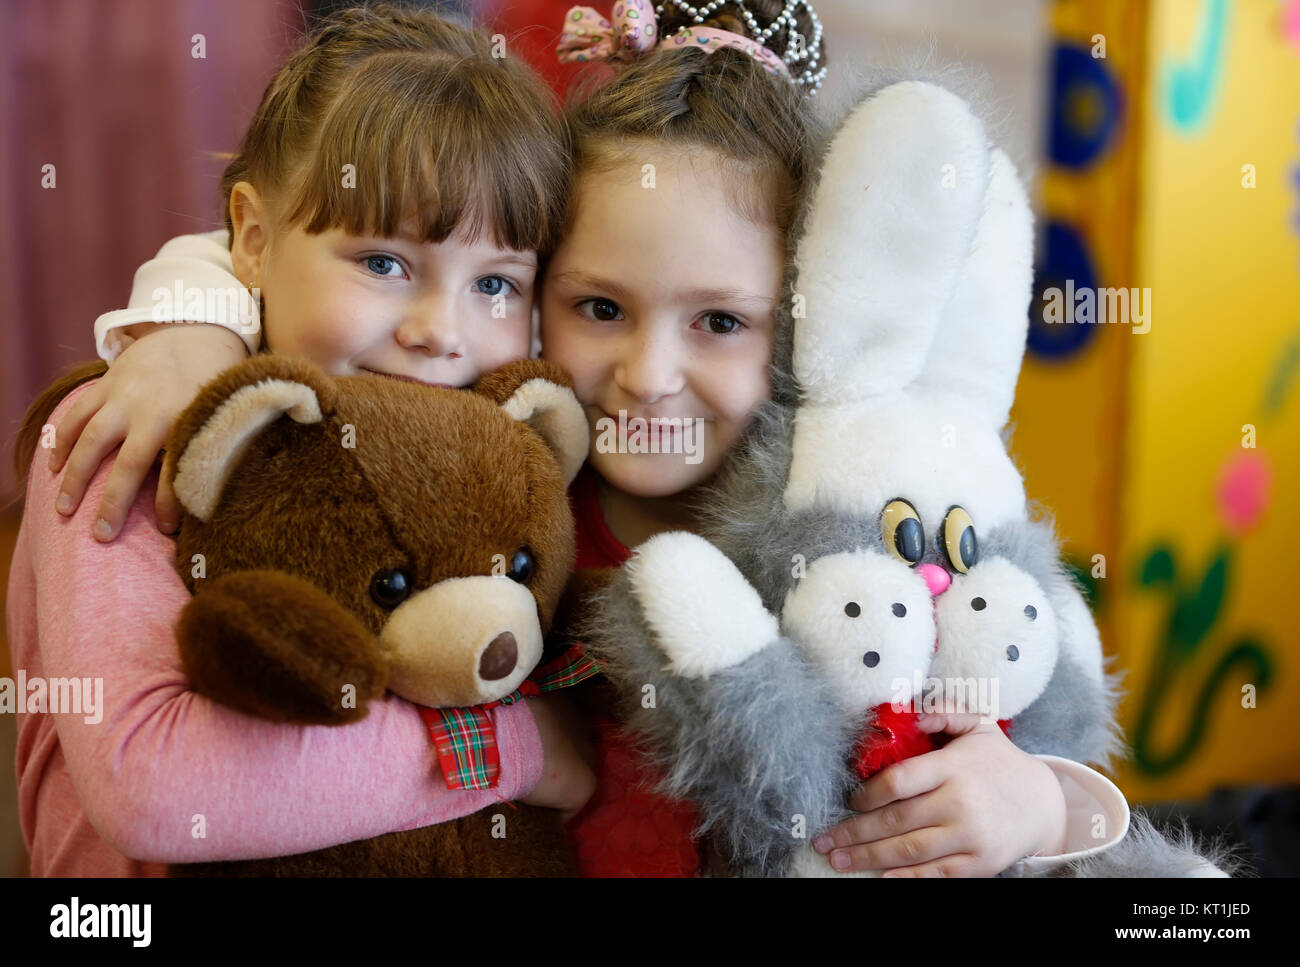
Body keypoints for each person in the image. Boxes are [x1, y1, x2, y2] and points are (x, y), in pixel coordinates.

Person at [46, 0, 1127, 877]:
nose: (648, 372)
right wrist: (185, 321)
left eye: (720, 321)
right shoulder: (500, 453)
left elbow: (1014, 681)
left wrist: (1042, 798)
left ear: (805, 323)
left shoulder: (831, 508)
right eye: (598, 307)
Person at [8, 3, 596, 877]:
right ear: (249, 238)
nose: (443, 330)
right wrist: (520, 748)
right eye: (383, 263)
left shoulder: (492, 452)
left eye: (496, 283)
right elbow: (153, 787)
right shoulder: (129, 427)